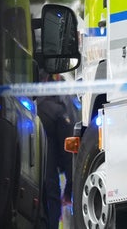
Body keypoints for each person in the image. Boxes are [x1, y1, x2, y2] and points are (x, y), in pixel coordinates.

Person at [37, 71, 78, 229]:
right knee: (51, 191)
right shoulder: (59, 103)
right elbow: (69, 149)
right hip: (49, 180)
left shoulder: (51, 102)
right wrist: (70, 187)